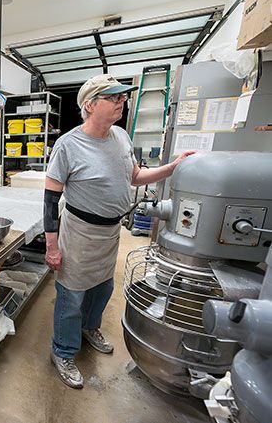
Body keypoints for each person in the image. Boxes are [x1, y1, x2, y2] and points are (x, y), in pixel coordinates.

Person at [43, 74, 195, 389]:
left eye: (122, 97)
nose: (121, 102)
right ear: (90, 104)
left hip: (110, 233)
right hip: (80, 233)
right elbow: (51, 199)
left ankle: (89, 328)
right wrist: (52, 247)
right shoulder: (68, 145)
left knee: (101, 290)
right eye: (113, 98)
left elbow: (135, 176)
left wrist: (172, 167)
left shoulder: (121, 137)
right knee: (71, 297)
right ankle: (63, 350)